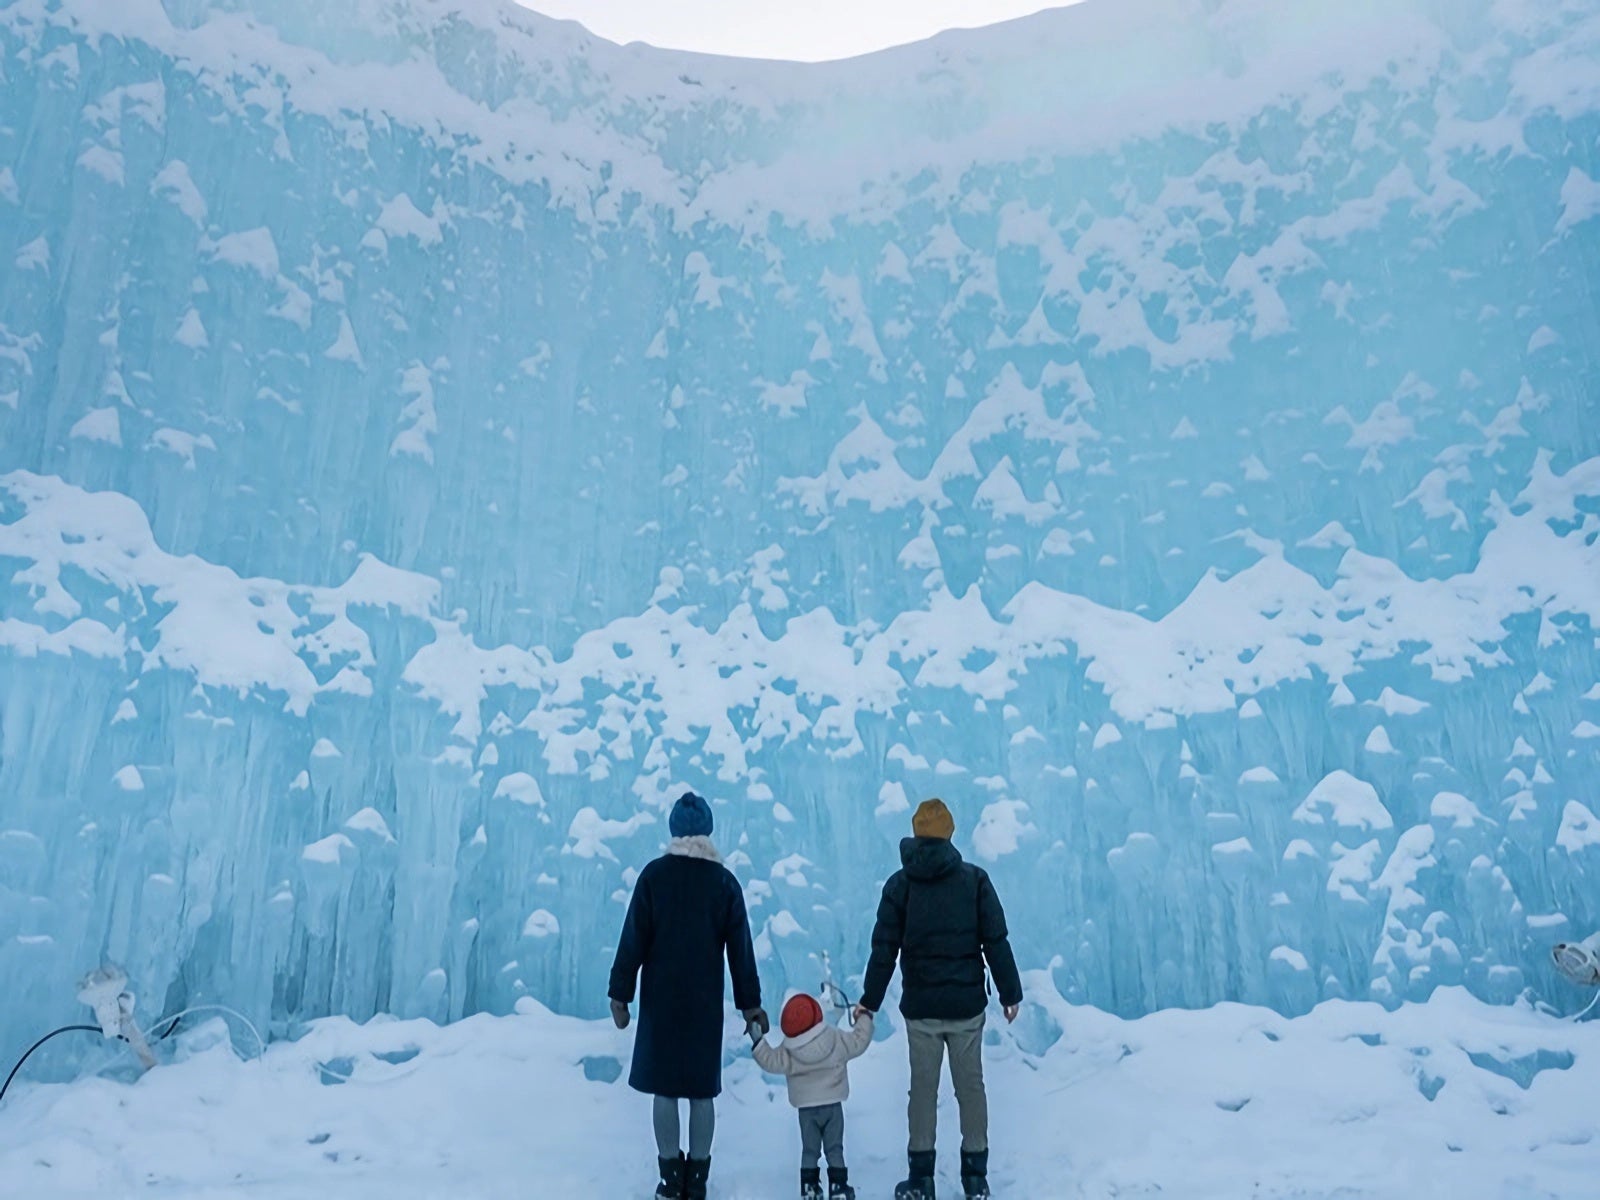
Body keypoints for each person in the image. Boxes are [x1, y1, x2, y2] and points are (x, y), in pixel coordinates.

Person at [854, 798, 1023, 1200]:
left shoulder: (900, 884)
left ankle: (921, 1179)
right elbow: (995, 941)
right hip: (966, 1009)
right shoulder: (975, 880)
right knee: (971, 1088)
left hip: (922, 1010)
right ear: (949, 833)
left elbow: (884, 949)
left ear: (915, 834)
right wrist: (1009, 992)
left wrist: (869, 1002)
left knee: (923, 1091)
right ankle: (975, 1177)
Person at [609, 791, 768, 1200]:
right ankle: (696, 1180)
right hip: (702, 1003)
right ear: (708, 832)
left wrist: (620, 993)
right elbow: (741, 950)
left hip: (661, 1001)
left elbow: (633, 939)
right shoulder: (724, 883)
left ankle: (669, 1179)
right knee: (700, 1091)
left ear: (674, 831)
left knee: (665, 1089)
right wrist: (751, 1003)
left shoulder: (653, 876)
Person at [751, 993, 874, 1200]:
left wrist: (758, 1042)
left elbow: (770, 1061)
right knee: (835, 1149)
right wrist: (864, 1018)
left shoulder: (788, 1052)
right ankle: (839, 1189)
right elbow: (858, 1042)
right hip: (833, 1107)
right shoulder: (835, 1039)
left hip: (806, 1110)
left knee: (810, 1151)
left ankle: (809, 1189)